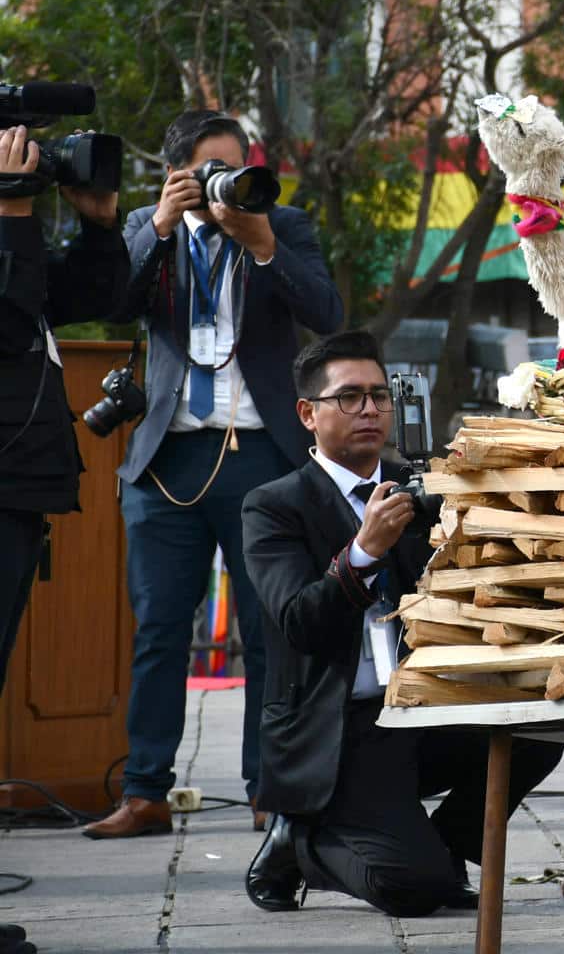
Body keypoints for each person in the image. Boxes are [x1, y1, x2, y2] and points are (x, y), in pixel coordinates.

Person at [241, 330, 564, 915]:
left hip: (421, 708)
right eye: (349, 397)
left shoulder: (422, 491)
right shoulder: (274, 506)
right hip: (340, 730)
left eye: (379, 395)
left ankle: (441, 851)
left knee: (538, 730)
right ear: (307, 414)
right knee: (412, 893)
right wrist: (362, 553)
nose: (369, 408)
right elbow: (299, 624)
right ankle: (302, 837)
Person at [84, 110, 344, 840]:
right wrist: (162, 228)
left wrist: (262, 247)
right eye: (210, 171)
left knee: (271, 631)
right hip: (169, 457)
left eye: (238, 167)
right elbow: (111, 307)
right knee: (160, 630)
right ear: (178, 174)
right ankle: (145, 792)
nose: (227, 184)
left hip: (264, 455)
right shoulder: (149, 225)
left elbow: (327, 312)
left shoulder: (281, 226)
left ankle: (271, 789)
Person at [0, 123, 129, 954]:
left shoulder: (14, 225)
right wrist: (12, 215)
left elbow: (88, 300)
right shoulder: (7, 221)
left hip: (19, 482)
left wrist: (97, 221)